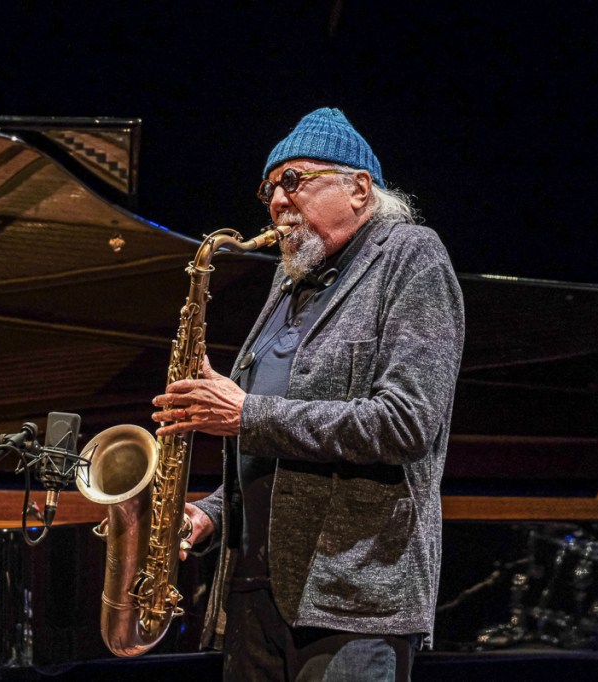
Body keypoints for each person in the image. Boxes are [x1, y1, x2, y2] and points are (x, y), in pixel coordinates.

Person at [152, 107, 464, 681]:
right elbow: (272, 447)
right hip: (255, 595)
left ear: (359, 189)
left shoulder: (410, 256)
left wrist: (247, 414)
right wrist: (213, 512)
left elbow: (406, 423)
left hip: (352, 599)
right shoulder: (288, 279)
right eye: (269, 187)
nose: (277, 201)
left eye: (293, 180)